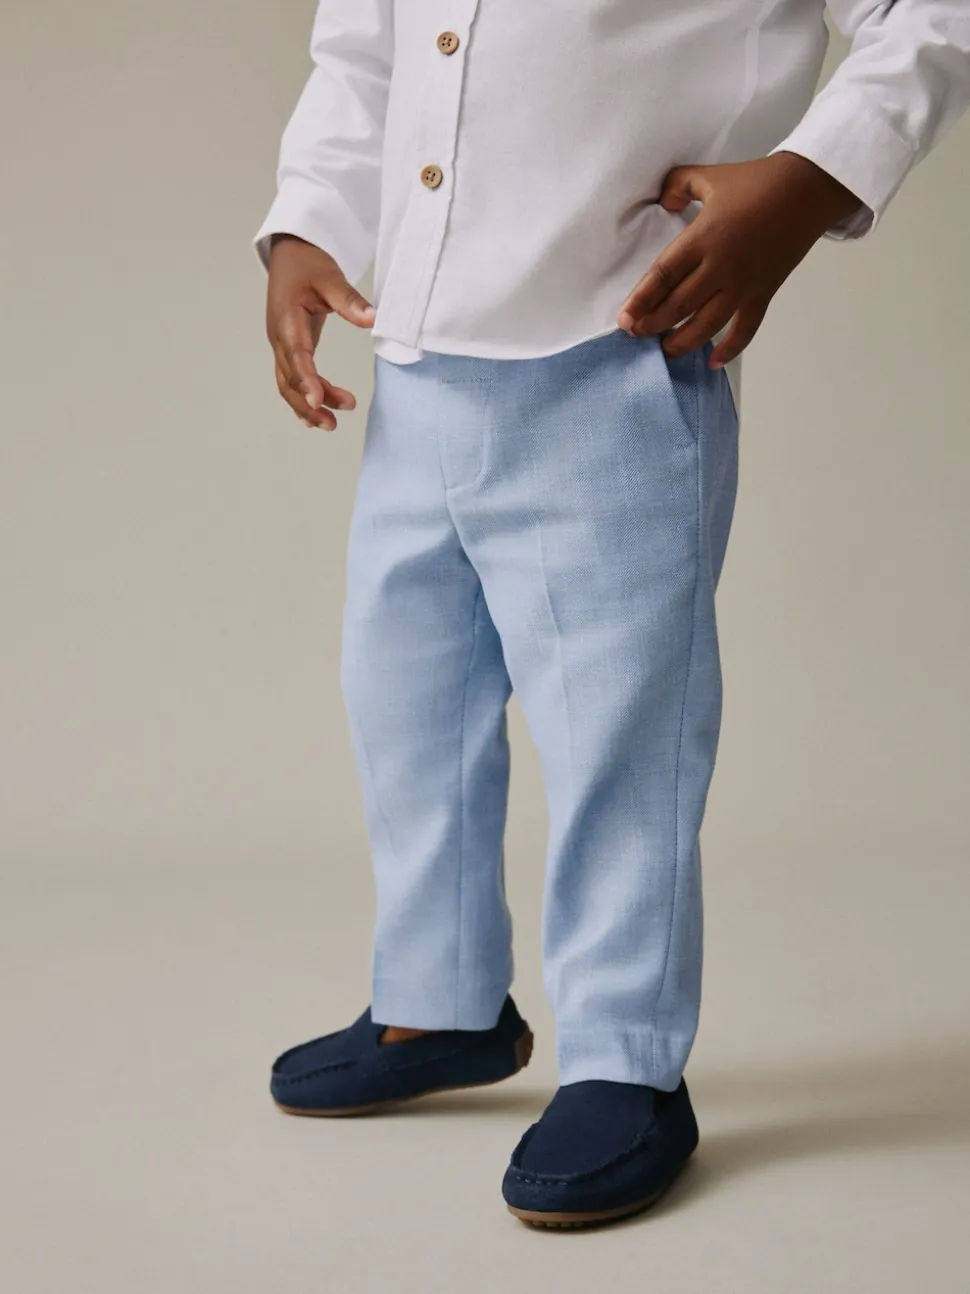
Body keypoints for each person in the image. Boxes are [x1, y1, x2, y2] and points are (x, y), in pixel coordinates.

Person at [254, 1, 970, 1228]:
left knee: (618, 736)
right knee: (404, 698)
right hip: (417, 369)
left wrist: (808, 181)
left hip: (614, 353)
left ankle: (624, 1059)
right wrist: (306, 223)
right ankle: (439, 997)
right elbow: (363, 50)